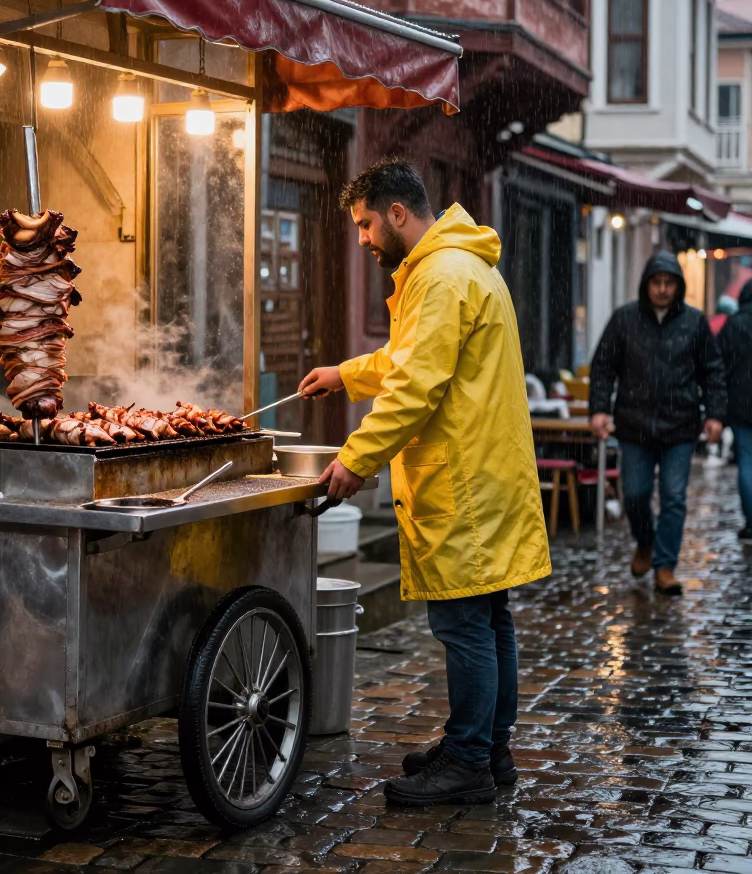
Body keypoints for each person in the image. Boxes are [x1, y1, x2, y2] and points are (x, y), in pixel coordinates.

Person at [298, 159, 550, 808]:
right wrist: (347, 375)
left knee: (466, 625)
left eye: (365, 225)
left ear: (398, 214)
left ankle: (468, 761)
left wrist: (356, 459)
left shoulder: (439, 276)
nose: (362, 239)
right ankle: (486, 748)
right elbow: (410, 361)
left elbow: (415, 386)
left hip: (463, 483)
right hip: (486, 474)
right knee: (490, 622)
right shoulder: (461, 265)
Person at [589, 252, 726, 595]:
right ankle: (645, 542)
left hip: (680, 425)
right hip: (634, 424)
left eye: (669, 283)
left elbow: (713, 372)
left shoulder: (694, 323)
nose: (663, 289)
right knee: (634, 494)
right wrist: (599, 409)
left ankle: (665, 566)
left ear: (678, 286)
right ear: (646, 284)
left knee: (674, 496)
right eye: (657, 282)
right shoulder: (625, 320)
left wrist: (715, 414)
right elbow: (604, 366)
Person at [717, 279, 752, 540]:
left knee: (746, 461)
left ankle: (751, 521)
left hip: (741, 403)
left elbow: (718, 362)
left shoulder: (734, 324)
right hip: (740, 400)